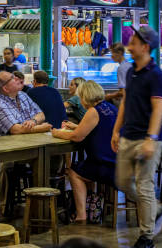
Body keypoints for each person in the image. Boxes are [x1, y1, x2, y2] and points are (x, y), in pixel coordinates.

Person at [110, 26, 162, 248]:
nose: (129, 45)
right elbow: (126, 101)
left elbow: (158, 109)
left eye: (134, 42)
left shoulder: (157, 76)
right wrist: (116, 130)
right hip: (128, 135)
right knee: (122, 182)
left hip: (148, 139)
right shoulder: (130, 72)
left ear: (145, 47)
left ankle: (146, 236)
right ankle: (158, 210)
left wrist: (151, 138)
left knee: (145, 185)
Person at [52, 80, 117, 223]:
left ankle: (81, 215)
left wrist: (57, 133)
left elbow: (77, 137)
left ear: (85, 96)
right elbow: (98, 128)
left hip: (106, 165)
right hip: (118, 161)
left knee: (74, 171)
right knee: (84, 167)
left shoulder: (93, 111)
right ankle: (92, 207)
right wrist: (76, 126)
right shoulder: (110, 107)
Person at [0, 71, 52, 136]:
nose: (16, 78)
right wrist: (42, 128)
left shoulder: (22, 95)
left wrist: (33, 121)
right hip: (7, 145)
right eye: (12, 78)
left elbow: (41, 114)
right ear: (6, 88)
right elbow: (16, 129)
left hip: (26, 142)